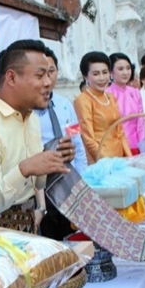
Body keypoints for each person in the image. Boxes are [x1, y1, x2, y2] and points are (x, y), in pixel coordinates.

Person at [0, 39, 72, 230]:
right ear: (11, 78)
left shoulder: (32, 119)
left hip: (30, 222)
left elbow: (37, 182)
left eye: (49, 74)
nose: (48, 83)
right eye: (40, 75)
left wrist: (54, 161)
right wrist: (25, 168)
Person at [33, 47, 85, 240]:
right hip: (42, 184)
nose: (47, 79)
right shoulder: (28, 111)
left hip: (68, 181)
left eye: (51, 71)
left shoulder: (65, 105)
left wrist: (82, 178)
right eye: (41, 73)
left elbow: (76, 142)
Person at [73, 51, 131, 164]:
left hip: (119, 159)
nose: (102, 78)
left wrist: (130, 158)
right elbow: (88, 139)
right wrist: (106, 163)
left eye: (105, 72)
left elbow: (120, 132)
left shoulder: (110, 97)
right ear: (85, 76)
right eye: (96, 74)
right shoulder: (82, 100)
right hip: (100, 162)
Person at [105, 52, 145, 153]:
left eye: (128, 68)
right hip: (118, 147)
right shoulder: (107, 94)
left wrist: (143, 146)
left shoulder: (135, 92)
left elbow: (141, 121)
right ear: (111, 72)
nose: (126, 72)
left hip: (137, 145)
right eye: (120, 69)